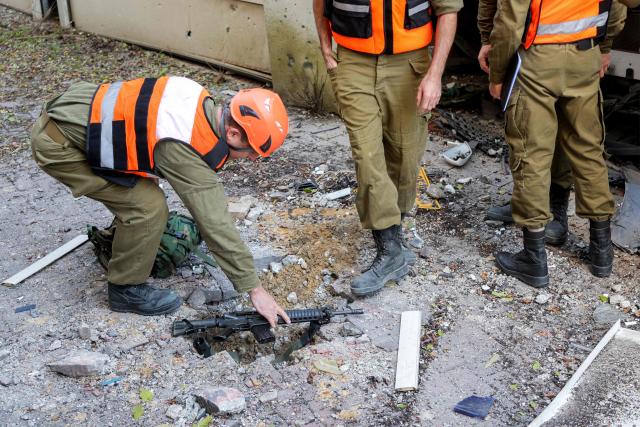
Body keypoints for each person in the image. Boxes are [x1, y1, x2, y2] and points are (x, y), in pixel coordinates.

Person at [31, 76, 291, 326]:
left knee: (142, 190)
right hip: (60, 144)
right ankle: (125, 289)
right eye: (253, 152)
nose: (253, 160)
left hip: (75, 109)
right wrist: (254, 289)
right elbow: (215, 223)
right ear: (233, 134)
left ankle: (123, 242)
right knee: (148, 206)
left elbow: (143, 125)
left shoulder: (195, 94)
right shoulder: (185, 148)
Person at [313, 0, 461, 297]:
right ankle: (389, 248)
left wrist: (434, 74)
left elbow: (448, 10)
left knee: (406, 156)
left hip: (410, 65)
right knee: (367, 157)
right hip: (353, 64)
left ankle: (398, 225)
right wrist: (325, 48)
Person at [488, 0, 620, 288]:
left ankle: (534, 259)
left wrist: (497, 74)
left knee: (532, 153)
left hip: (539, 60)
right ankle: (602, 254)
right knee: (588, 150)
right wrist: (605, 45)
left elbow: (510, 22)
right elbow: (620, 5)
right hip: (585, 55)